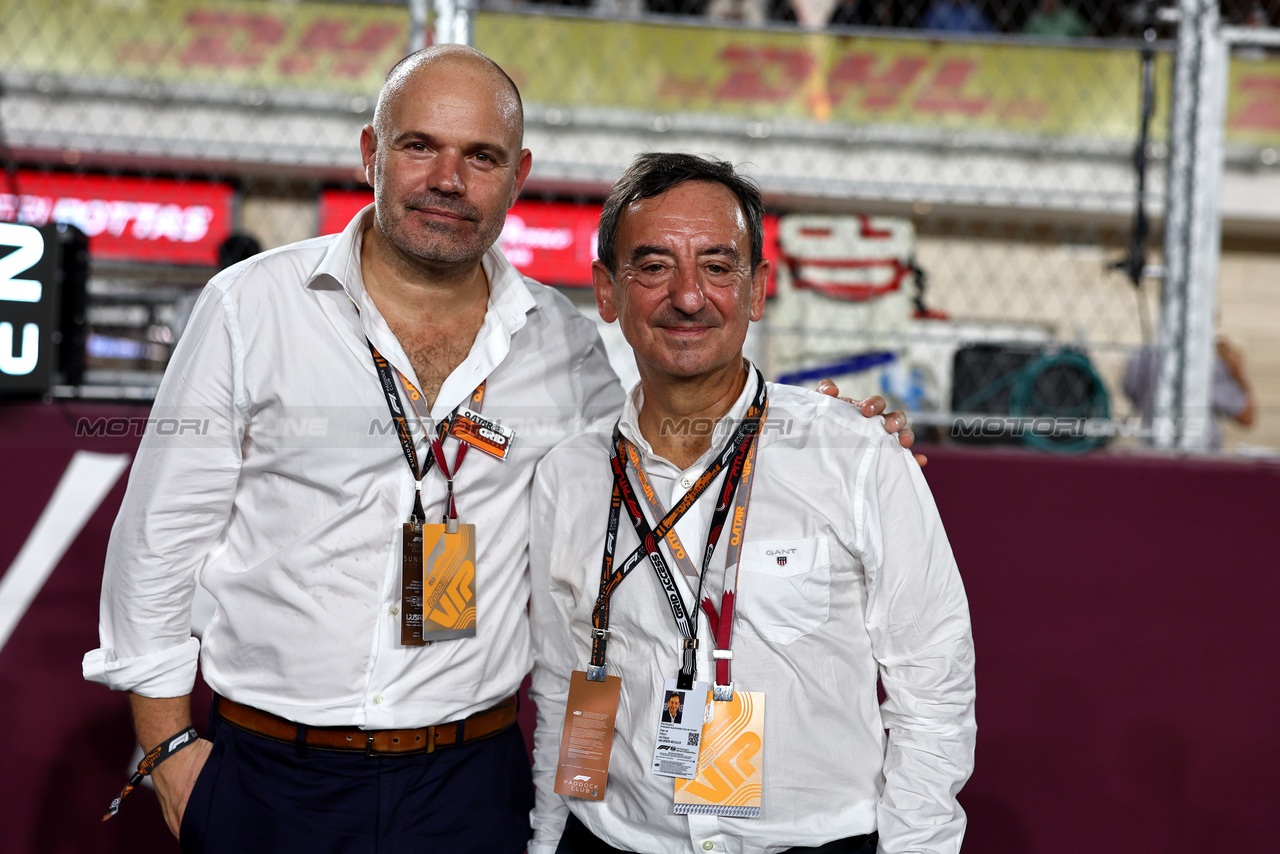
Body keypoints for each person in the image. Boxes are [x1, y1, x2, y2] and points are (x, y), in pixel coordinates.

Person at [82, 47, 916, 852]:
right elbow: (160, 540)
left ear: (518, 177)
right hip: (269, 776)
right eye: (421, 147)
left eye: (481, 156)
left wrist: (827, 431)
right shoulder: (251, 307)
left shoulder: (565, 345)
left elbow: (676, 449)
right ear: (372, 152)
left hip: (467, 787)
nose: (449, 179)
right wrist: (167, 753)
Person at [528, 154, 976, 854]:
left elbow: (935, 682)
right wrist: (548, 841)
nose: (687, 296)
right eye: (652, 266)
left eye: (717, 266)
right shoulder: (569, 475)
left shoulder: (854, 454)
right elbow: (562, 682)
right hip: (614, 840)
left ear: (759, 288)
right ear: (607, 292)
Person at [1122, 336, 1255, 450]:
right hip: (1202, 459)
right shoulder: (1210, 365)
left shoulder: (1141, 358)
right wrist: (1238, 372)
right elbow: (1246, 417)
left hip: (1152, 452)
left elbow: (1131, 394)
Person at [1022, 0, 1091, 38]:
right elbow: (1022, 39)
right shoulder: (1035, 19)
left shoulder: (1069, 16)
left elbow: (1089, 33)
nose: (1048, 2)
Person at [921, 0, 994, 32]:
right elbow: (921, 34)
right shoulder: (938, 11)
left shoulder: (974, 13)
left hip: (969, 54)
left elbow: (991, 35)